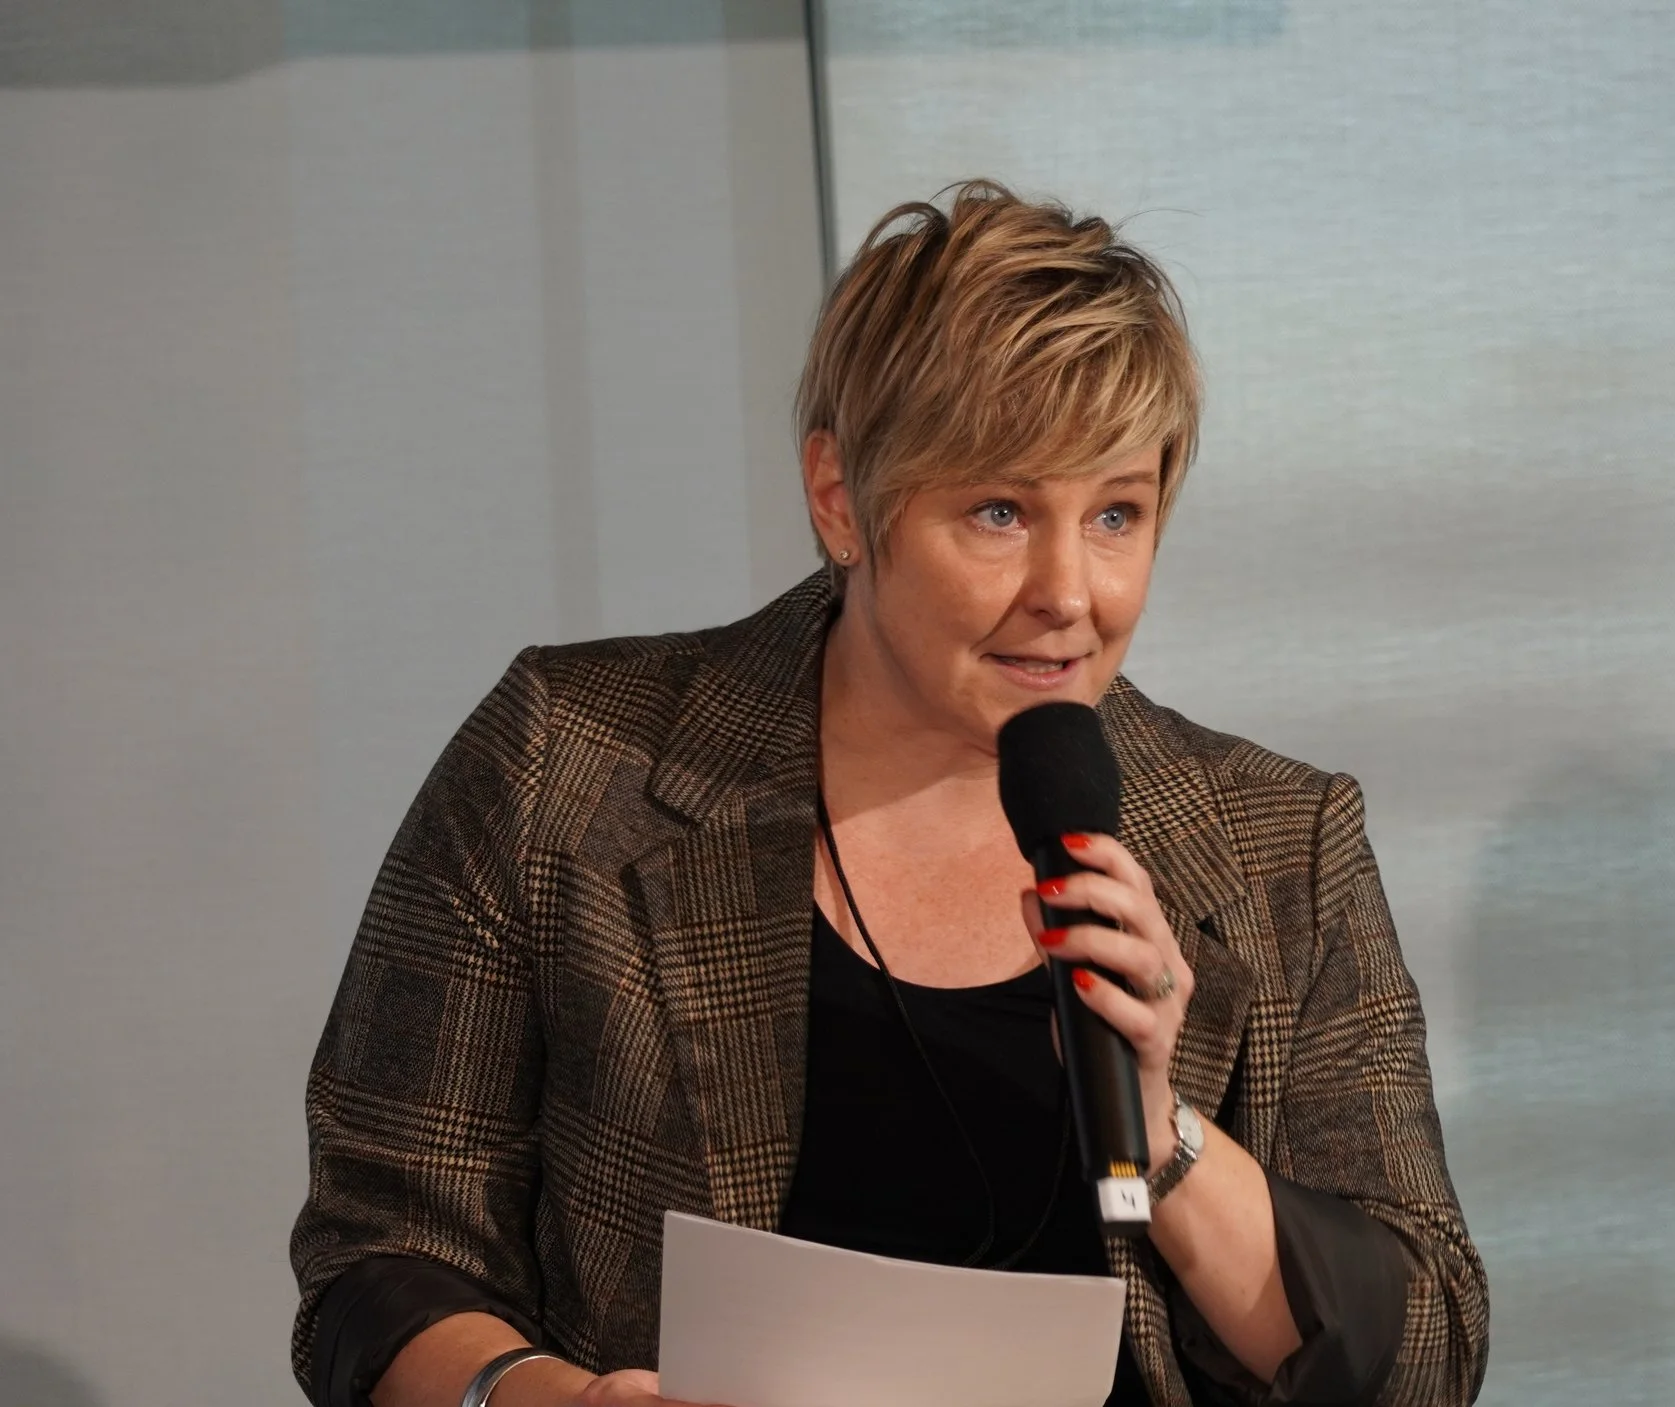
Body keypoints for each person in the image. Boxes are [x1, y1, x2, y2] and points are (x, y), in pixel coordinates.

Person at [288, 180, 1489, 1407]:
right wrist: (541, 1399)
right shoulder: (567, 764)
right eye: (1000, 511)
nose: (1069, 592)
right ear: (840, 500)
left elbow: (1424, 1360)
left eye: (1117, 513)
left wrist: (1162, 1130)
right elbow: (378, 1259)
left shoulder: (1282, 844)